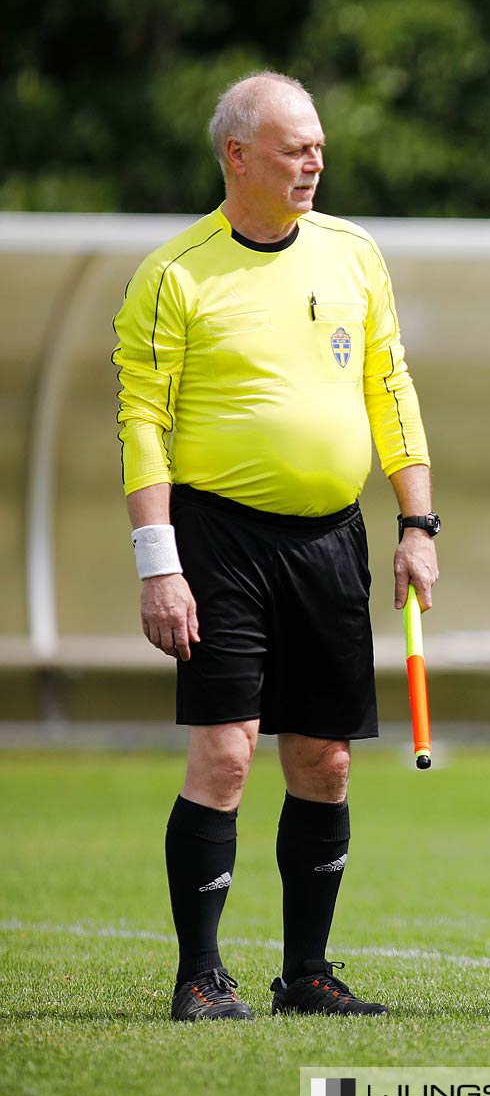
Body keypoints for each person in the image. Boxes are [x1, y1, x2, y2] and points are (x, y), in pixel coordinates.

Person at [113, 71, 437, 1022]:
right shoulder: (174, 273)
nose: (315, 162)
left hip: (332, 541)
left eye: (320, 146)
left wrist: (417, 524)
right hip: (218, 543)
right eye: (295, 148)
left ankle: (307, 973)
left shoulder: (353, 253)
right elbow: (143, 424)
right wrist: (156, 562)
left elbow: (392, 387)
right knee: (225, 756)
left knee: (325, 764)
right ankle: (201, 976)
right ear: (237, 155)